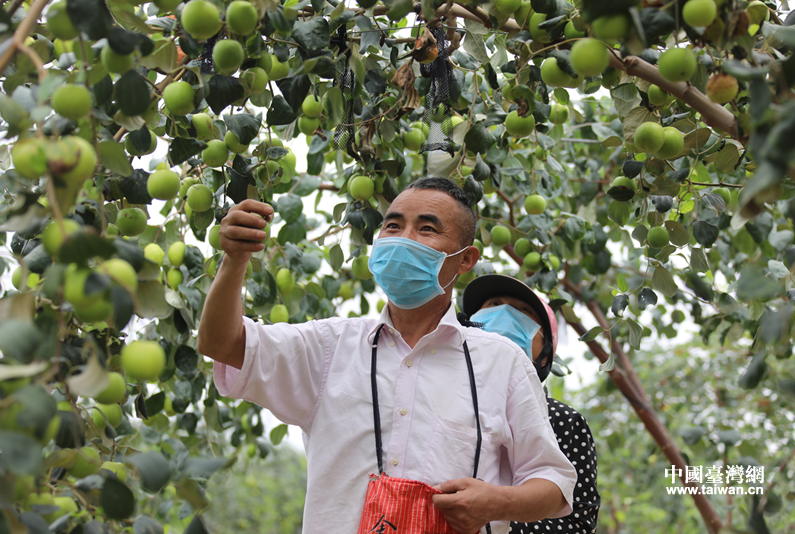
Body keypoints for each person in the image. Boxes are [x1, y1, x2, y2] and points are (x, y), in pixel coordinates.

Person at [198, 177, 577, 534]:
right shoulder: (329, 346)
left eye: (426, 229)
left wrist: (499, 502)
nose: (403, 239)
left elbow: (556, 483)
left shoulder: (502, 363)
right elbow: (222, 344)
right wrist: (234, 260)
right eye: (393, 227)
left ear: (465, 260)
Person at [462, 274, 600, 534]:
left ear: (545, 357)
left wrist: (493, 519)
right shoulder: (437, 392)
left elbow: (579, 521)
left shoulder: (563, 421)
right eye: (493, 304)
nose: (504, 313)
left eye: (523, 311)